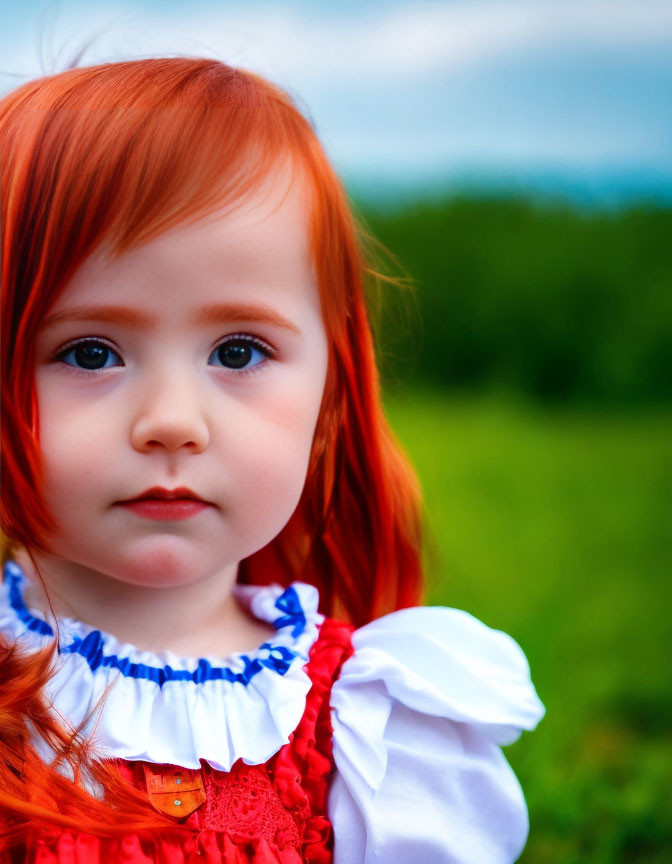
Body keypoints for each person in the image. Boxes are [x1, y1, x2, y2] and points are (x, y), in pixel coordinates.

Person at [0, 57, 544, 863]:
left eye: (239, 349)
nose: (173, 423)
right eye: (88, 353)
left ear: (329, 395)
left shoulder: (367, 724)